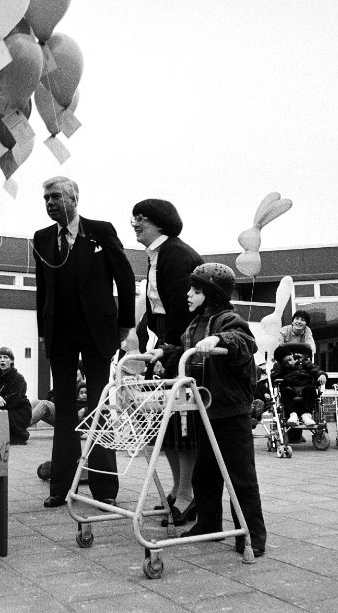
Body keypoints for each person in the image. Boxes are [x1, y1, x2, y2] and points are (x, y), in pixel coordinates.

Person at [151, 263, 266, 557]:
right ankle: (210, 523)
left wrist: (219, 339)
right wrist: (166, 351)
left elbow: (244, 342)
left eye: (196, 290)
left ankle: (252, 534)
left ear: (212, 294)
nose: (189, 294)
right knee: (204, 474)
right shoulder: (195, 322)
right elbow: (189, 349)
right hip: (204, 408)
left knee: (239, 476)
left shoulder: (229, 320)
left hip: (230, 410)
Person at [33, 176, 135, 509]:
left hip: (97, 332)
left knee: (98, 406)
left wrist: (125, 326)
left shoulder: (101, 231)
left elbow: (125, 277)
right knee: (63, 409)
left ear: (74, 199)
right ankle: (60, 487)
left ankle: (104, 488)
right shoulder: (42, 238)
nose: (49, 202)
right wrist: (42, 333)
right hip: (60, 335)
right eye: (46, 198)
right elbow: (43, 291)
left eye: (55, 196)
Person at [130, 198, 202, 524]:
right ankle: (179, 488)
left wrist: (168, 352)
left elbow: (181, 311)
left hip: (182, 352)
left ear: (160, 222)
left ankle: (188, 494)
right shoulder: (157, 256)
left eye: (140, 218)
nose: (133, 223)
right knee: (167, 424)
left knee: (182, 425)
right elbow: (155, 308)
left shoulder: (175, 255)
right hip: (166, 348)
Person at [270, 343, 326, 428]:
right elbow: (273, 378)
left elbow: (315, 369)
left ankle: (306, 416)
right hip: (290, 388)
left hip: (305, 387)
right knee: (284, 390)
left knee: (311, 389)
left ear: (291, 354)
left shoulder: (304, 362)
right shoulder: (280, 367)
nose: (289, 363)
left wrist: (321, 375)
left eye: (290, 359)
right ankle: (293, 416)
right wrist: (282, 367)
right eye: (286, 362)